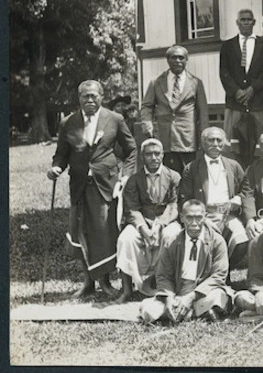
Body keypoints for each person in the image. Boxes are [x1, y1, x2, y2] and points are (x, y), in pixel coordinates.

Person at [48, 80, 137, 298]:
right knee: (80, 232)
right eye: (84, 96)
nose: (89, 100)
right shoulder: (68, 122)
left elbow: (132, 149)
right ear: (78, 98)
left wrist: (125, 176)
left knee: (103, 233)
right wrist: (56, 167)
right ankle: (88, 283)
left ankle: (105, 283)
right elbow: (61, 153)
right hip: (79, 185)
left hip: (106, 185)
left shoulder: (114, 119)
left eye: (93, 96)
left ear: (101, 96)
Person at [139, 199, 232, 323]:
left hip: (203, 293)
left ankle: (187, 313)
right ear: (182, 218)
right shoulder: (171, 241)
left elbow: (219, 275)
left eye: (199, 218)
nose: (194, 223)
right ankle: (194, 314)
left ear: (205, 217)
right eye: (189, 218)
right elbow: (163, 275)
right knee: (148, 310)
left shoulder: (217, 241)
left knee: (218, 297)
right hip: (178, 293)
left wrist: (192, 296)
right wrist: (170, 299)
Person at [116, 139, 182, 302]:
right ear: (142, 157)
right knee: (126, 239)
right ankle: (126, 289)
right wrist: (142, 227)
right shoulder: (134, 179)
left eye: (157, 153)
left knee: (171, 235)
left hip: (166, 221)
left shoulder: (173, 176)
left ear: (162, 155)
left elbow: (174, 204)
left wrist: (160, 224)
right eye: (149, 154)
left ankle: (164, 284)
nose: (153, 158)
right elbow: (131, 207)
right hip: (141, 221)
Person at [178, 127, 249, 269]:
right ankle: (209, 273)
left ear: (224, 143)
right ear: (203, 143)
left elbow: (246, 189)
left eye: (219, 140)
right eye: (211, 140)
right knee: (206, 241)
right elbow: (185, 197)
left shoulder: (233, 165)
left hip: (228, 214)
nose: (215, 144)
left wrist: (238, 198)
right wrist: (200, 216)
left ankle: (224, 271)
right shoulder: (192, 168)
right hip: (204, 215)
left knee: (241, 241)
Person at [140, 45, 209, 173]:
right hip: (164, 137)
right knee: (166, 175)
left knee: (188, 174)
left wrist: (204, 137)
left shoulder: (196, 82)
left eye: (181, 58)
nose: (177, 61)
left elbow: (203, 112)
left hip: (187, 139)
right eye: (174, 57)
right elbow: (146, 106)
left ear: (186, 60)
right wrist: (147, 123)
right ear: (168, 60)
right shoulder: (156, 82)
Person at [219, 8, 263, 166]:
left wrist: (252, 89)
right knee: (234, 147)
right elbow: (224, 72)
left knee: (259, 143)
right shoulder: (228, 46)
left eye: (249, 19)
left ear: (254, 22)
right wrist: (236, 91)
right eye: (242, 20)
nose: (246, 23)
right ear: (237, 23)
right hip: (235, 102)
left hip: (258, 101)